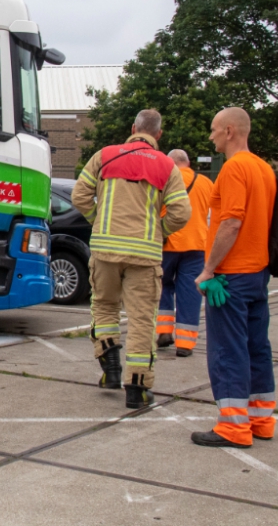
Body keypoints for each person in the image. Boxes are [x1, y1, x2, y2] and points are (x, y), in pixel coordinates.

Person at [72, 109, 191, 408]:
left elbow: (79, 196)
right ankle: (137, 389)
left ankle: (110, 369)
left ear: (132, 127)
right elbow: (181, 213)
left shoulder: (105, 156)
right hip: (145, 254)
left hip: (104, 251)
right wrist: (158, 232)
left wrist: (97, 220)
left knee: (104, 306)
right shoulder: (166, 165)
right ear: (159, 135)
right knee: (141, 320)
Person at [191, 108, 277, 449]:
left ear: (229, 131)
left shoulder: (234, 169)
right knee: (258, 347)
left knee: (228, 351)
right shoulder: (263, 168)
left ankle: (232, 427)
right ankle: (261, 419)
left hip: (230, 278)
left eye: (213, 130)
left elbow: (231, 222)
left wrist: (209, 269)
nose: (210, 136)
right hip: (258, 272)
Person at [157, 149, 214, 357]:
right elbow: (213, 214)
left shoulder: (163, 179)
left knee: (161, 286)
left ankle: (163, 331)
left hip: (167, 243)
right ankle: (185, 343)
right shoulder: (206, 183)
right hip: (197, 245)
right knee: (190, 293)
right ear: (188, 162)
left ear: (170, 163)